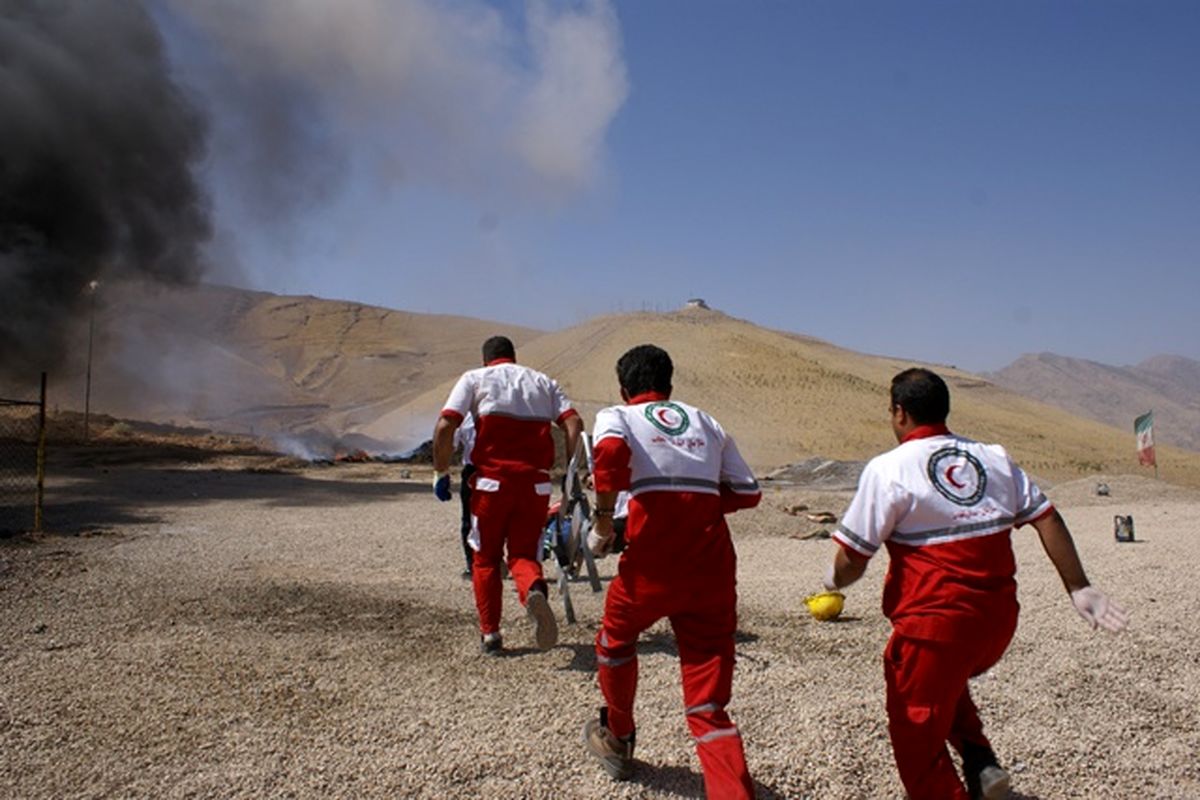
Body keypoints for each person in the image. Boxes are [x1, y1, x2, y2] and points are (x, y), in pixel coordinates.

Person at [822, 367, 1129, 800]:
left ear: (899, 412)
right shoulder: (994, 456)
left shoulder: (888, 469)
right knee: (944, 685)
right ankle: (982, 764)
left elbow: (854, 559)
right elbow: (1048, 518)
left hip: (934, 626)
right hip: (996, 624)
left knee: (916, 732)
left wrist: (833, 579)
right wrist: (1079, 587)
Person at [583, 344, 761, 798]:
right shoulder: (705, 420)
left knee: (615, 640)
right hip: (711, 568)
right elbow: (748, 491)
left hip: (650, 567)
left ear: (624, 389)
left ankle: (619, 735)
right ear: (670, 386)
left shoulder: (617, 417)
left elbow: (607, 458)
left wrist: (604, 521)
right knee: (707, 701)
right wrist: (694, 500)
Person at [432, 335, 582, 655]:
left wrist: (440, 471)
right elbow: (573, 423)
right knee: (524, 555)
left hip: (491, 485)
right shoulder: (543, 382)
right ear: (513, 357)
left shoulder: (475, 378)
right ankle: (533, 592)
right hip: (536, 487)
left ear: (486, 359)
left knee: (485, 559)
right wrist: (572, 472)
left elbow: (446, 425)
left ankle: (491, 634)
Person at [453, 414, 476, 579]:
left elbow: (450, 442)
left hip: (473, 470)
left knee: (469, 519)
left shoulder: (464, 415)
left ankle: (473, 565)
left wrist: (440, 472)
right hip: (505, 469)